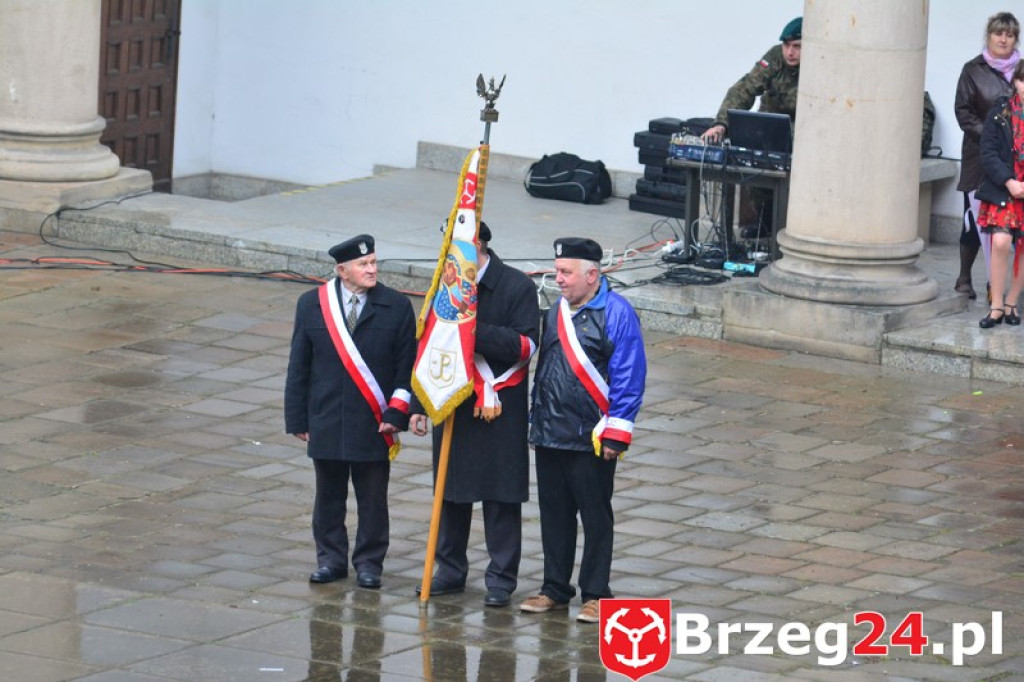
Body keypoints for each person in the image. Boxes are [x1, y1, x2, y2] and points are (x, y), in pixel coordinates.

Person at [411, 222, 540, 608]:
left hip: (498, 405)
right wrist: (419, 404)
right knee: (452, 494)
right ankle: (449, 570)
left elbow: (524, 344)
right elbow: (428, 346)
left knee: (501, 497)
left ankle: (501, 578)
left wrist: (471, 331)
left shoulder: (517, 287)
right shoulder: (444, 285)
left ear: (478, 246)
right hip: (454, 402)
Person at [519, 237, 646, 624]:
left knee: (595, 516)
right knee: (554, 515)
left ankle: (596, 593)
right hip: (552, 432)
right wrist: (536, 421)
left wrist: (616, 433)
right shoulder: (555, 311)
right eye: (557, 271)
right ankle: (555, 588)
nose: (557, 279)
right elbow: (545, 372)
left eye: (565, 273)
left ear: (593, 275)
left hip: (592, 436)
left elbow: (628, 376)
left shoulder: (619, 314)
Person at [284, 234, 416, 588]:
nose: (371, 269)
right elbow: (299, 365)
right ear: (342, 270)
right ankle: (330, 560)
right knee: (328, 497)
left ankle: (370, 564)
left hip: (374, 422)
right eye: (363, 264)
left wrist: (396, 414)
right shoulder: (312, 304)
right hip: (326, 417)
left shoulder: (397, 306)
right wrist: (297, 419)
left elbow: (407, 368)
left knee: (373, 500)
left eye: (373, 262)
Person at [701, 16, 802, 240]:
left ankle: (788, 224)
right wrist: (721, 124)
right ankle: (764, 221)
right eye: (787, 45)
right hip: (770, 126)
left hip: (804, 129)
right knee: (752, 164)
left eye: (797, 47)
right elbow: (745, 88)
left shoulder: (819, 64)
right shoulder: (775, 57)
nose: (790, 53)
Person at [955, 12, 1021, 301]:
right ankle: (973, 280)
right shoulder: (973, 69)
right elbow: (964, 112)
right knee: (977, 223)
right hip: (979, 157)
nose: (1003, 39)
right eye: (998, 33)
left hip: (1016, 160)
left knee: (1012, 227)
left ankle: (1006, 288)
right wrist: (994, 138)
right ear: (989, 36)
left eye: (1009, 34)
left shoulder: (1021, 69)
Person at [975, 59, 1024, 329]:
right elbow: (988, 152)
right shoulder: (1000, 110)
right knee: (1002, 243)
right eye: (1022, 80)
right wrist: (1009, 181)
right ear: (1015, 81)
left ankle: (1012, 302)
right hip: (1005, 188)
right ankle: (996, 305)